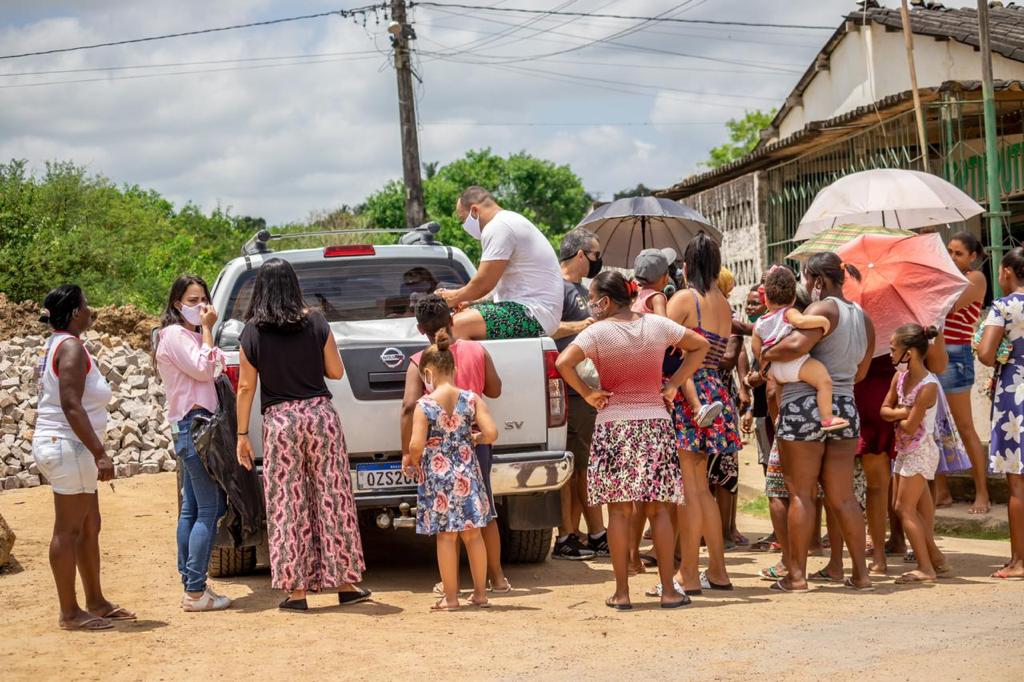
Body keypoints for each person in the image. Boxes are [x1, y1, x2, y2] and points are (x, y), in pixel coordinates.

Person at [556, 271, 711, 609]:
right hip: (655, 423)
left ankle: (622, 593)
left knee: (619, 511)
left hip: (613, 425)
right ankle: (669, 590)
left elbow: (563, 362)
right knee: (660, 509)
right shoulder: (657, 325)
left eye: (593, 299)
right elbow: (701, 345)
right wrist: (673, 384)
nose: (591, 305)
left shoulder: (596, 333)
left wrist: (588, 393)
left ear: (605, 301)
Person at [235, 259, 368, 611]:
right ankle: (345, 583)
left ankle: (297, 592)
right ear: (294, 285)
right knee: (333, 498)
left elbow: (246, 387)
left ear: (260, 289)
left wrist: (241, 433)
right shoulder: (316, 322)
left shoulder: (252, 331)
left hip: (280, 422)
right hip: (320, 416)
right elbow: (335, 372)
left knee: (287, 503)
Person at [762, 252, 874, 592]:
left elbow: (795, 346)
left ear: (820, 280)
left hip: (802, 406)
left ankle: (796, 576)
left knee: (802, 494)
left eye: (807, 279)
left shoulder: (822, 308)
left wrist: (766, 353)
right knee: (844, 497)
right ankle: (861, 574)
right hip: (845, 407)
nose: (806, 285)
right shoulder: (864, 318)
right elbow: (861, 372)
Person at [32, 285, 134, 631]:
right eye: (86, 305)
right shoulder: (71, 347)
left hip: (70, 447)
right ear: (75, 312)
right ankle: (70, 612)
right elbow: (71, 404)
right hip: (68, 445)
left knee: (90, 525)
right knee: (69, 528)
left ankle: (96, 602)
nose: (91, 310)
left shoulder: (59, 343)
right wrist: (100, 453)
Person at [400, 294, 510, 592]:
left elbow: (409, 406)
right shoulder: (477, 350)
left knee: (448, 517)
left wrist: (408, 452)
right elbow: (495, 390)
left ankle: (450, 584)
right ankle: (497, 577)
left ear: (420, 329)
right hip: (474, 445)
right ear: (452, 319)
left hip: (438, 451)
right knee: (483, 510)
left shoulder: (420, 361)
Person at [665, 232, 742, 595]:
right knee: (703, 489)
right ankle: (719, 571)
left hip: (688, 392)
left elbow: (662, 344)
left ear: (687, 265)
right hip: (716, 391)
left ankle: (688, 574)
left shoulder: (684, 299)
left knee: (690, 489)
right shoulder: (724, 304)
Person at [154, 275, 231, 612]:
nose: (200, 307)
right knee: (210, 508)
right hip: (195, 428)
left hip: (192, 428)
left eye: (203, 300)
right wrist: (209, 330)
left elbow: (215, 366)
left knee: (193, 507)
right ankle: (196, 592)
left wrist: (205, 336)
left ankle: (191, 582)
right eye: (192, 300)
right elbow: (205, 369)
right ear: (177, 303)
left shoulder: (189, 336)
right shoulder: (175, 335)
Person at [407, 329, 499, 610]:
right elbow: (492, 433)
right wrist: (476, 438)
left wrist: (414, 460)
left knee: (446, 536)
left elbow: (416, 444)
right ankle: (480, 594)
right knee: (473, 533)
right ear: (454, 368)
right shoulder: (471, 399)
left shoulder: (424, 405)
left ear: (428, 373)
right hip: (468, 473)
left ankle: (450, 598)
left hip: (438, 478)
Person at [438, 186, 563, 340]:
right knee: (463, 318)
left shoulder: (498, 227)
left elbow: (483, 284)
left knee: (455, 326)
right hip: (535, 311)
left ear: (474, 211)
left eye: (462, 219)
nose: (463, 225)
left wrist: (452, 297)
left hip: (533, 313)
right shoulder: (509, 221)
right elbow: (495, 288)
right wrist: (469, 301)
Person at [880, 324, 951, 584]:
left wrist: (896, 414)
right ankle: (936, 559)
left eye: (893, 349)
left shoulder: (928, 386)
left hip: (920, 451)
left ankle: (925, 567)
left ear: (908, 353)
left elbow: (910, 426)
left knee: (903, 508)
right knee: (912, 508)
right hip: (904, 450)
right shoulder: (899, 378)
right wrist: (903, 411)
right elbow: (884, 411)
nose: (890, 354)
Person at [551, 227, 605, 560]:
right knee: (573, 465)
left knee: (583, 463)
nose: (599, 260)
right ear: (582, 254)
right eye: (596, 254)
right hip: (568, 387)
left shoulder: (584, 290)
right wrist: (581, 326)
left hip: (586, 387)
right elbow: (544, 326)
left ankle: (585, 532)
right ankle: (568, 535)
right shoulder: (555, 287)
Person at [753, 266, 850, 432]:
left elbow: (756, 348)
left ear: (766, 299)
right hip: (795, 364)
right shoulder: (789, 312)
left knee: (780, 390)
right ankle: (827, 417)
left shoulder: (759, 322)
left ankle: (781, 416)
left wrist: (764, 367)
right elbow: (801, 322)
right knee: (824, 381)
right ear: (793, 298)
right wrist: (823, 322)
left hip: (775, 370)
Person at [934, 232, 991, 514]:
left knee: (965, 427)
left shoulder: (975, 278)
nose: (952, 257)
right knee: (933, 428)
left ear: (973, 256)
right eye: (949, 251)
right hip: (935, 354)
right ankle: (942, 492)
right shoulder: (944, 278)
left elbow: (947, 305)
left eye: (958, 253)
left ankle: (982, 494)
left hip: (956, 356)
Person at [635, 247, 722, 429]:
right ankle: (698, 409)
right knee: (684, 369)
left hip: (643, 353)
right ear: (664, 277)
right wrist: (679, 342)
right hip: (660, 351)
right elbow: (664, 324)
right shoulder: (657, 297)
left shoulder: (637, 297)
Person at [976, 246, 1024, 578]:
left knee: (1018, 484)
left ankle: (1019, 561)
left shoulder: (1004, 307)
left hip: (1015, 396)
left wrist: (1000, 356)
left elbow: (985, 352)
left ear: (1006, 271)